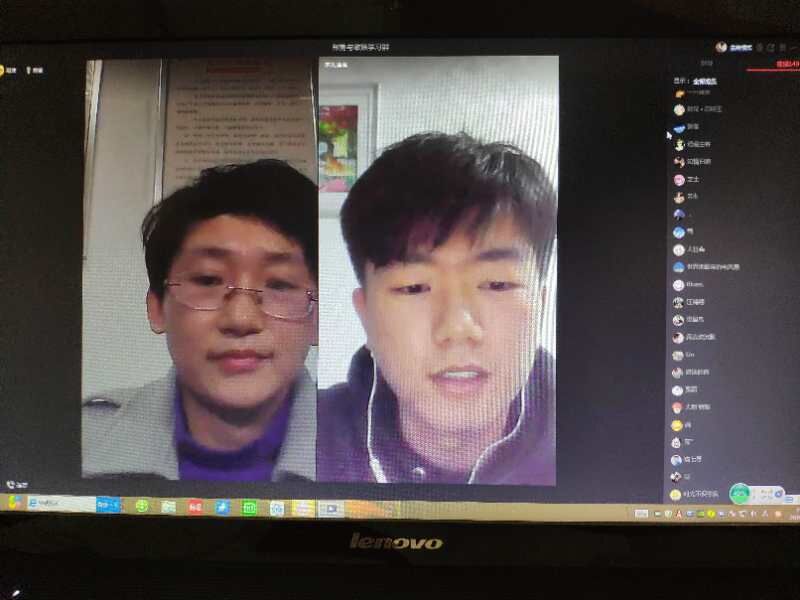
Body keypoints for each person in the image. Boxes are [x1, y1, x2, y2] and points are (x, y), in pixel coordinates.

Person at [317, 132, 556, 485]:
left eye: (497, 284)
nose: (457, 328)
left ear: (541, 306)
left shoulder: (608, 435)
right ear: (365, 316)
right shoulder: (302, 439)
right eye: (414, 287)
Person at [82, 160, 319, 481]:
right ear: (157, 307)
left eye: (279, 284)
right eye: (208, 280)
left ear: (318, 316)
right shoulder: (77, 439)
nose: (241, 319)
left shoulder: (371, 455)